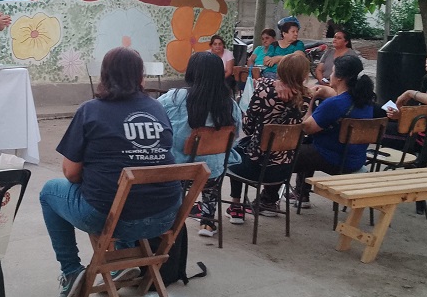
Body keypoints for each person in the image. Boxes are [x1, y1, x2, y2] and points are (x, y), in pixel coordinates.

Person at [38, 47, 182, 297]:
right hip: (164, 218)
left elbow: (70, 172)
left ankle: (71, 271)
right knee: (125, 189)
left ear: (104, 76)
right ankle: (120, 263)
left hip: (111, 218)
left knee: (49, 192)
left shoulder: (90, 111)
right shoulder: (158, 108)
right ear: (140, 76)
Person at [159, 51, 243, 238]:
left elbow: (155, 121)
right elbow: (235, 135)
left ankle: (173, 221)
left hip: (180, 171)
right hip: (213, 172)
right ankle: (207, 222)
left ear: (191, 72)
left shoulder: (174, 98)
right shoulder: (230, 104)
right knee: (213, 170)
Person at [227, 53, 311, 221]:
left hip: (256, 167)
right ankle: (268, 203)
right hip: (284, 170)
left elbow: (248, 128)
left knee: (234, 154)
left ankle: (236, 206)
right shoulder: (307, 97)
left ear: (280, 70)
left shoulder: (264, 92)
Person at [294, 54, 377, 208]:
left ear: (339, 78)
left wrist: (311, 99)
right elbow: (344, 102)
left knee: (285, 155)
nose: (330, 75)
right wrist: (330, 92)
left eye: (332, 72)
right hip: (355, 159)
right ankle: (301, 193)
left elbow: (307, 127)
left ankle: (271, 198)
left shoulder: (334, 104)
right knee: (311, 148)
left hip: (333, 159)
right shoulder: (366, 100)